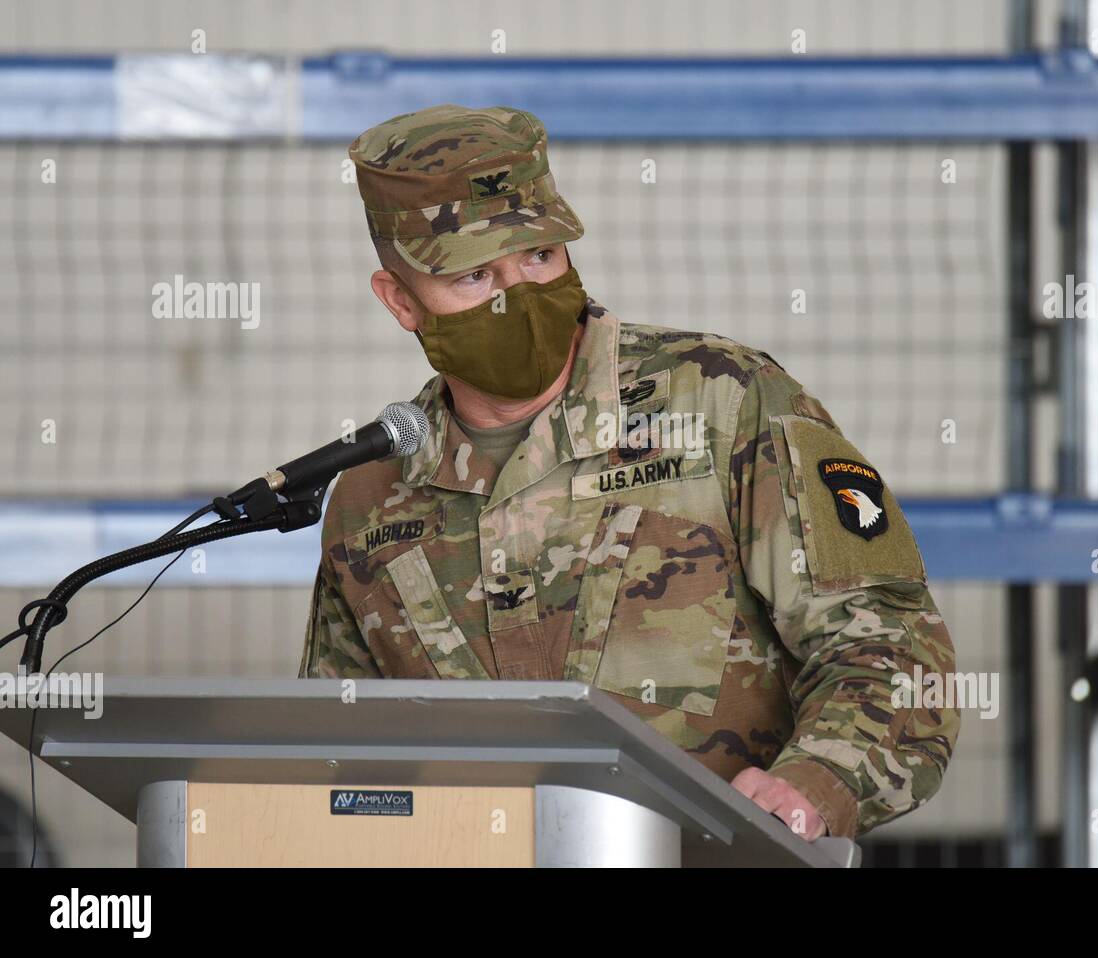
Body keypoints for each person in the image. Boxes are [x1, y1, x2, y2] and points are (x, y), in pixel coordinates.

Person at [299, 104, 961, 842]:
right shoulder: (372, 496)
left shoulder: (724, 400)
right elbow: (340, 764)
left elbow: (894, 649)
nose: (518, 296)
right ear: (400, 301)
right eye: (475, 275)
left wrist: (814, 785)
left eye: (541, 258)